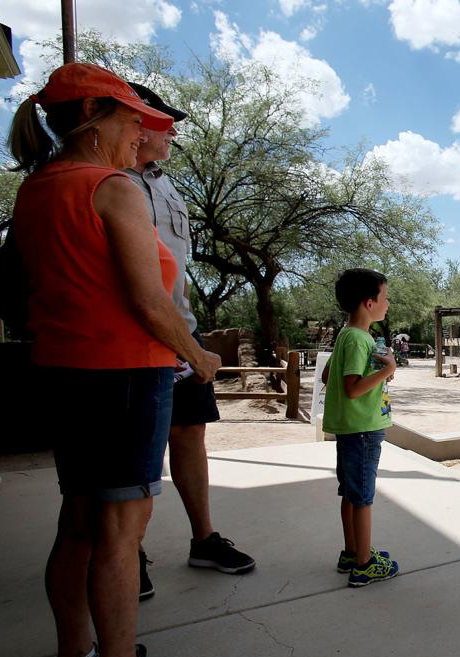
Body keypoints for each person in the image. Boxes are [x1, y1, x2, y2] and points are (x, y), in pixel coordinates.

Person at [8, 62, 221, 657]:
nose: (141, 132)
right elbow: (150, 303)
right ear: (93, 118)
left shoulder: (37, 188)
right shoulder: (113, 187)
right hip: (125, 374)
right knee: (121, 533)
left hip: (66, 372)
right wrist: (198, 357)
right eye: (132, 119)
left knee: (77, 520)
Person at [124, 83, 255, 599]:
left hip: (180, 323)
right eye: (163, 123)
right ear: (135, 125)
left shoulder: (167, 187)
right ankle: (126, 553)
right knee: (137, 448)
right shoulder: (110, 182)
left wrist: (188, 333)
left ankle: (204, 539)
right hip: (135, 333)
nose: (173, 133)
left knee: (190, 434)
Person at [321, 269, 400, 587]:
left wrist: (376, 369)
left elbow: (328, 376)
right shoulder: (359, 339)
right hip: (363, 430)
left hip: (350, 429)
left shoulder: (347, 334)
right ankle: (365, 565)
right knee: (364, 497)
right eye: (385, 298)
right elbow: (352, 388)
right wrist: (387, 370)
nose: (388, 304)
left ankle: (352, 552)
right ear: (369, 303)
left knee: (351, 493)